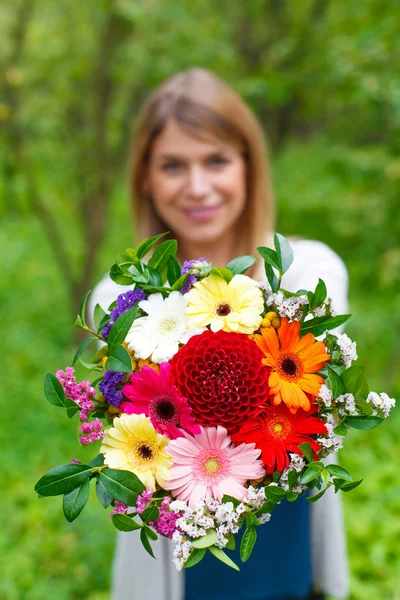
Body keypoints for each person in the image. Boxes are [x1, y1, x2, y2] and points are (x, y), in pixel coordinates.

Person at [89, 68, 349, 600]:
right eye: (172, 165)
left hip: (283, 532)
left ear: (248, 167)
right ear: (145, 178)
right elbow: (125, 449)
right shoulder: (115, 304)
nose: (198, 187)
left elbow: (322, 408)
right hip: (179, 557)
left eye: (216, 160)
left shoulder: (305, 275)